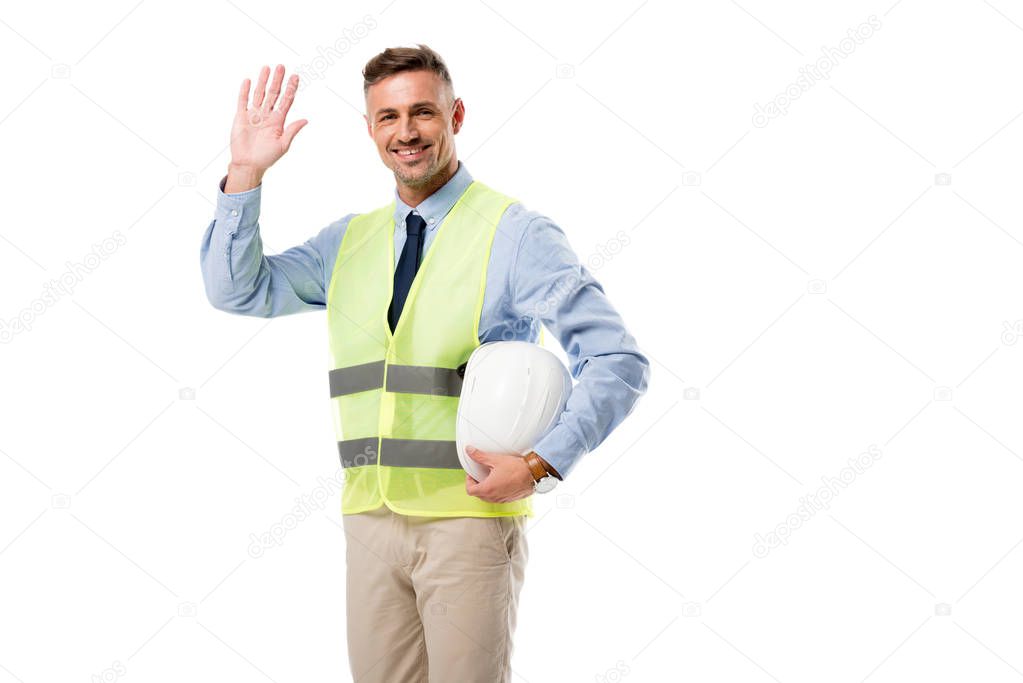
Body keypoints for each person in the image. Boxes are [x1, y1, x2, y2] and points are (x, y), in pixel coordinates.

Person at [199, 44, 649, 683]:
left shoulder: (515, 233)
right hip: (370, 521)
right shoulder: (347, 242)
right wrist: (244, 174)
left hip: (468, 519)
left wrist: (541, 461)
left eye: (422, 113)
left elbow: (617, 359)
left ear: (456, 115)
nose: (406, 132)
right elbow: (235, 289)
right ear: (370, 129)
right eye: (388, 117)